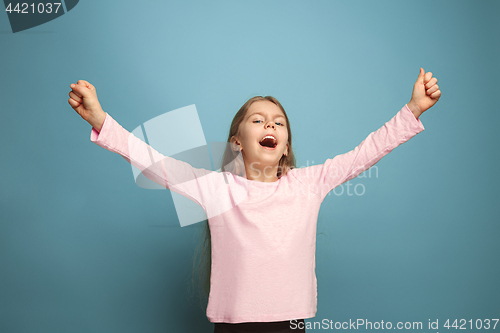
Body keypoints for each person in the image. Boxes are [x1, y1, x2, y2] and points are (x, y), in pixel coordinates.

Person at [68, 68, 441, 333]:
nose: (270, 127)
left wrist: (412, 110)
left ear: (286, 145)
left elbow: (365, 152)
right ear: (237, 141)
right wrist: (101, 120)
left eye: (279, 123)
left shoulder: (309, 183)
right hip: (234, 327)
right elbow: (156, 164)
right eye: (259, 121)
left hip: (291, 324)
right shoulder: (216, 188)